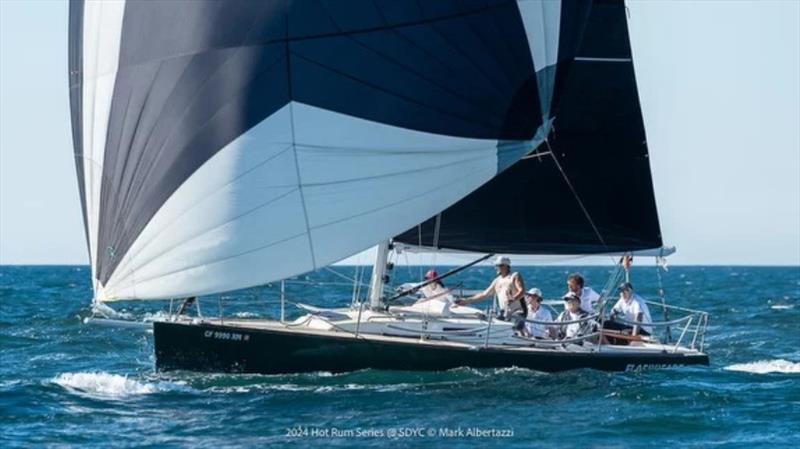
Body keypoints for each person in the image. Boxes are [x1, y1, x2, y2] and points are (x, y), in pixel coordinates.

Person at [455, 256, 526, 321]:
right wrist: (466, 301)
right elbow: (484, 294)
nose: (496, 268)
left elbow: (522, 291)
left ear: (505, 266)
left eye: (497, 266)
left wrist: (513, 298)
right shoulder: (497, 281)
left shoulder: (514, 276)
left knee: (517, 328)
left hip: (517, 312)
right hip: (505, 313)